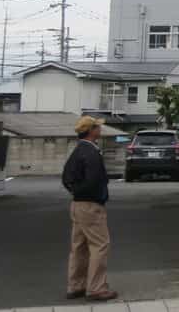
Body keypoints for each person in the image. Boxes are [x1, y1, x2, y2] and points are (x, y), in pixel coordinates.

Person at [61, 116, 117, 302]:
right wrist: (98, 196)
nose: (100, 129)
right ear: (91, 130)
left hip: (77, 203)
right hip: (91, 205)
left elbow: (66, 177)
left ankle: (76, 286)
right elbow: (94, 180)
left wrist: (76, 191)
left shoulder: (78, 150)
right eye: (98, 127)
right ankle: (96, 288)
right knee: (100, 245)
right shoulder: (92, 152)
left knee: (79, 246)